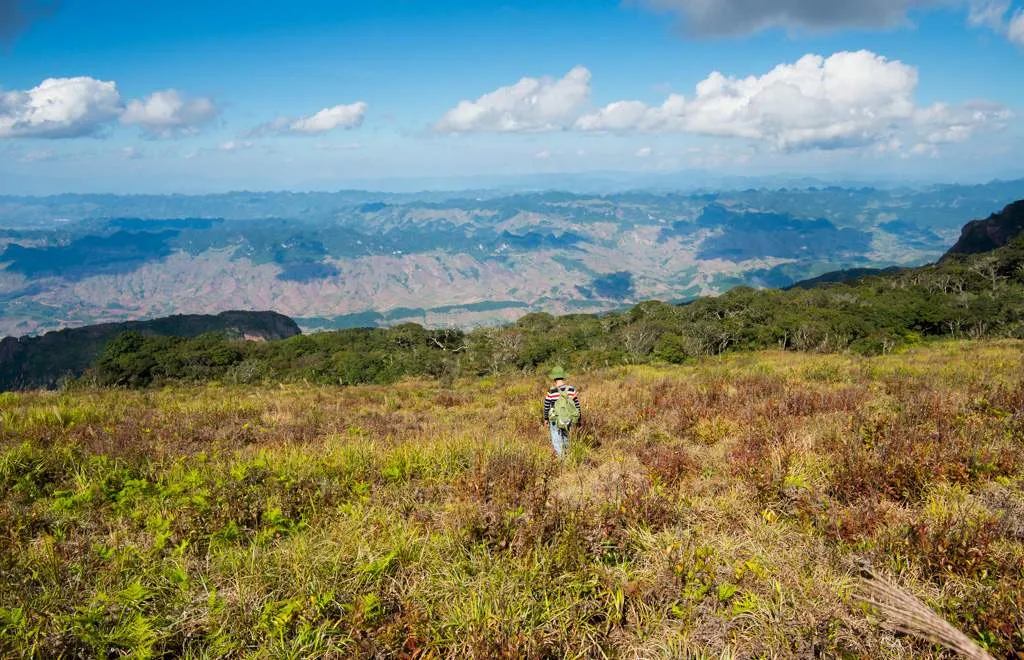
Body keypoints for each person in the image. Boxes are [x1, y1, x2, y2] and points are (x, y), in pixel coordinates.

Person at [543, 366, 581, 458]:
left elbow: (546, 405)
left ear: (554, 378)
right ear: (563, 377)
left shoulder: (551, 391)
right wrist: (579, 419)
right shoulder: (571, 389)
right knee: (566, 437)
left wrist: (545, 418)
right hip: (568, 418)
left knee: (556, 439)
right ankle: (568, 457)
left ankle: (562, 459)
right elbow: (576, 405)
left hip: (555, 419)